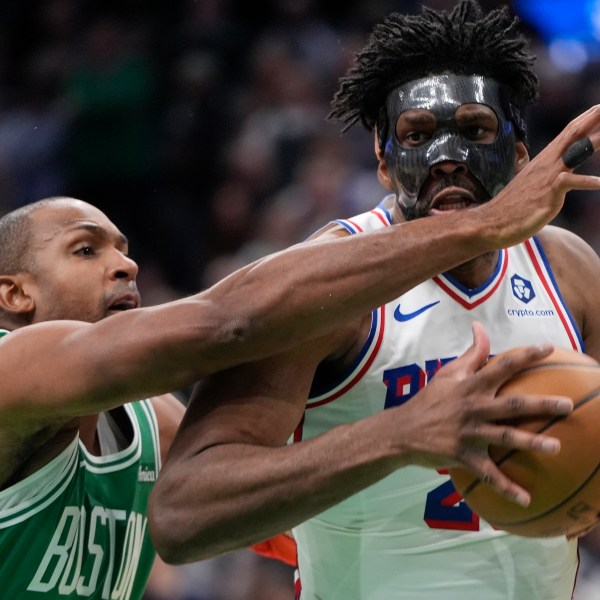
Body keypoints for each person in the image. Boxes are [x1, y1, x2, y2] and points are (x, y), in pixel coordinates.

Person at [149, 2, 600, 599]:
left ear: (520, 153)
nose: (445, 156)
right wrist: (398, 435)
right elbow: (182, 515)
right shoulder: (328, 283)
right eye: (416, 135)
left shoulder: (566, 267)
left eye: (475, 131)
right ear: (384, 163)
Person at [0, 170, 580, 600]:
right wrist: (481, 225)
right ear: (14, 295)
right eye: (85, 249)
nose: (125, 266)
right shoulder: (11, 370)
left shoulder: (151, 423)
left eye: (125, 252)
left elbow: (279, 514)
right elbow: (223, 323)